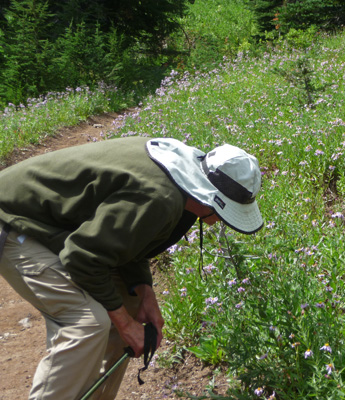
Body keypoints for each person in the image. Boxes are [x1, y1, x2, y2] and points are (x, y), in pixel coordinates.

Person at [0, 136, 263, 400]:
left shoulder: (179, 186)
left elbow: (128, 241)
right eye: (227, 211)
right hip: (11, 218)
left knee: (126, 305)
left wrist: (145, 293)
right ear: (210, 196)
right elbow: (82, 258)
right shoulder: (159, 197)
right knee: (88, 322)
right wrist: (125, 324)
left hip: (54, 225)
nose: (221, 221)